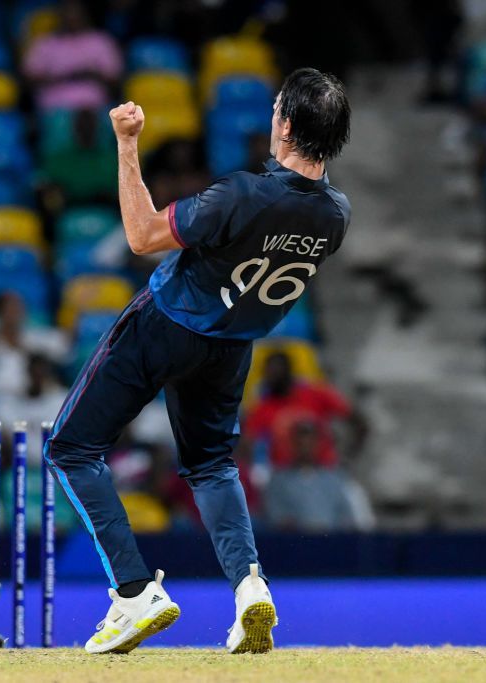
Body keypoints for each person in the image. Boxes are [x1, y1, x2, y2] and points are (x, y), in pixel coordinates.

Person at [43, 68, 351, 654]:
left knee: (70, 448)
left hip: (165, 324)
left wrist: (128, 144)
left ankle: (134, 594)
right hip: (233, 348)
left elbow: (140, 236)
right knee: (211, 466)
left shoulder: (242, 193)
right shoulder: (335, 215)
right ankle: (249, 587)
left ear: (283, 124)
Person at [242, 351, 366, 469]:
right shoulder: (262, 407)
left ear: (287, 372)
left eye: (275, 373)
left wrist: (348, 456)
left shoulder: (316, 393)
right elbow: (246, 443)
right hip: (286, 476)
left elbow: (358, 422)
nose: (269, 378)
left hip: (325, 469)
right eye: (267, 373)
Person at [262, 420, 357, 532]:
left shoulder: (333, 479)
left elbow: (345, 516)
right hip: (295, 543)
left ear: (317, 444)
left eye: (310, 442)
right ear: (293, 445)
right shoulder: (278, 481)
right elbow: (277, 517)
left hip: (331, 543)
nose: (305, 448)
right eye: (301, 443)